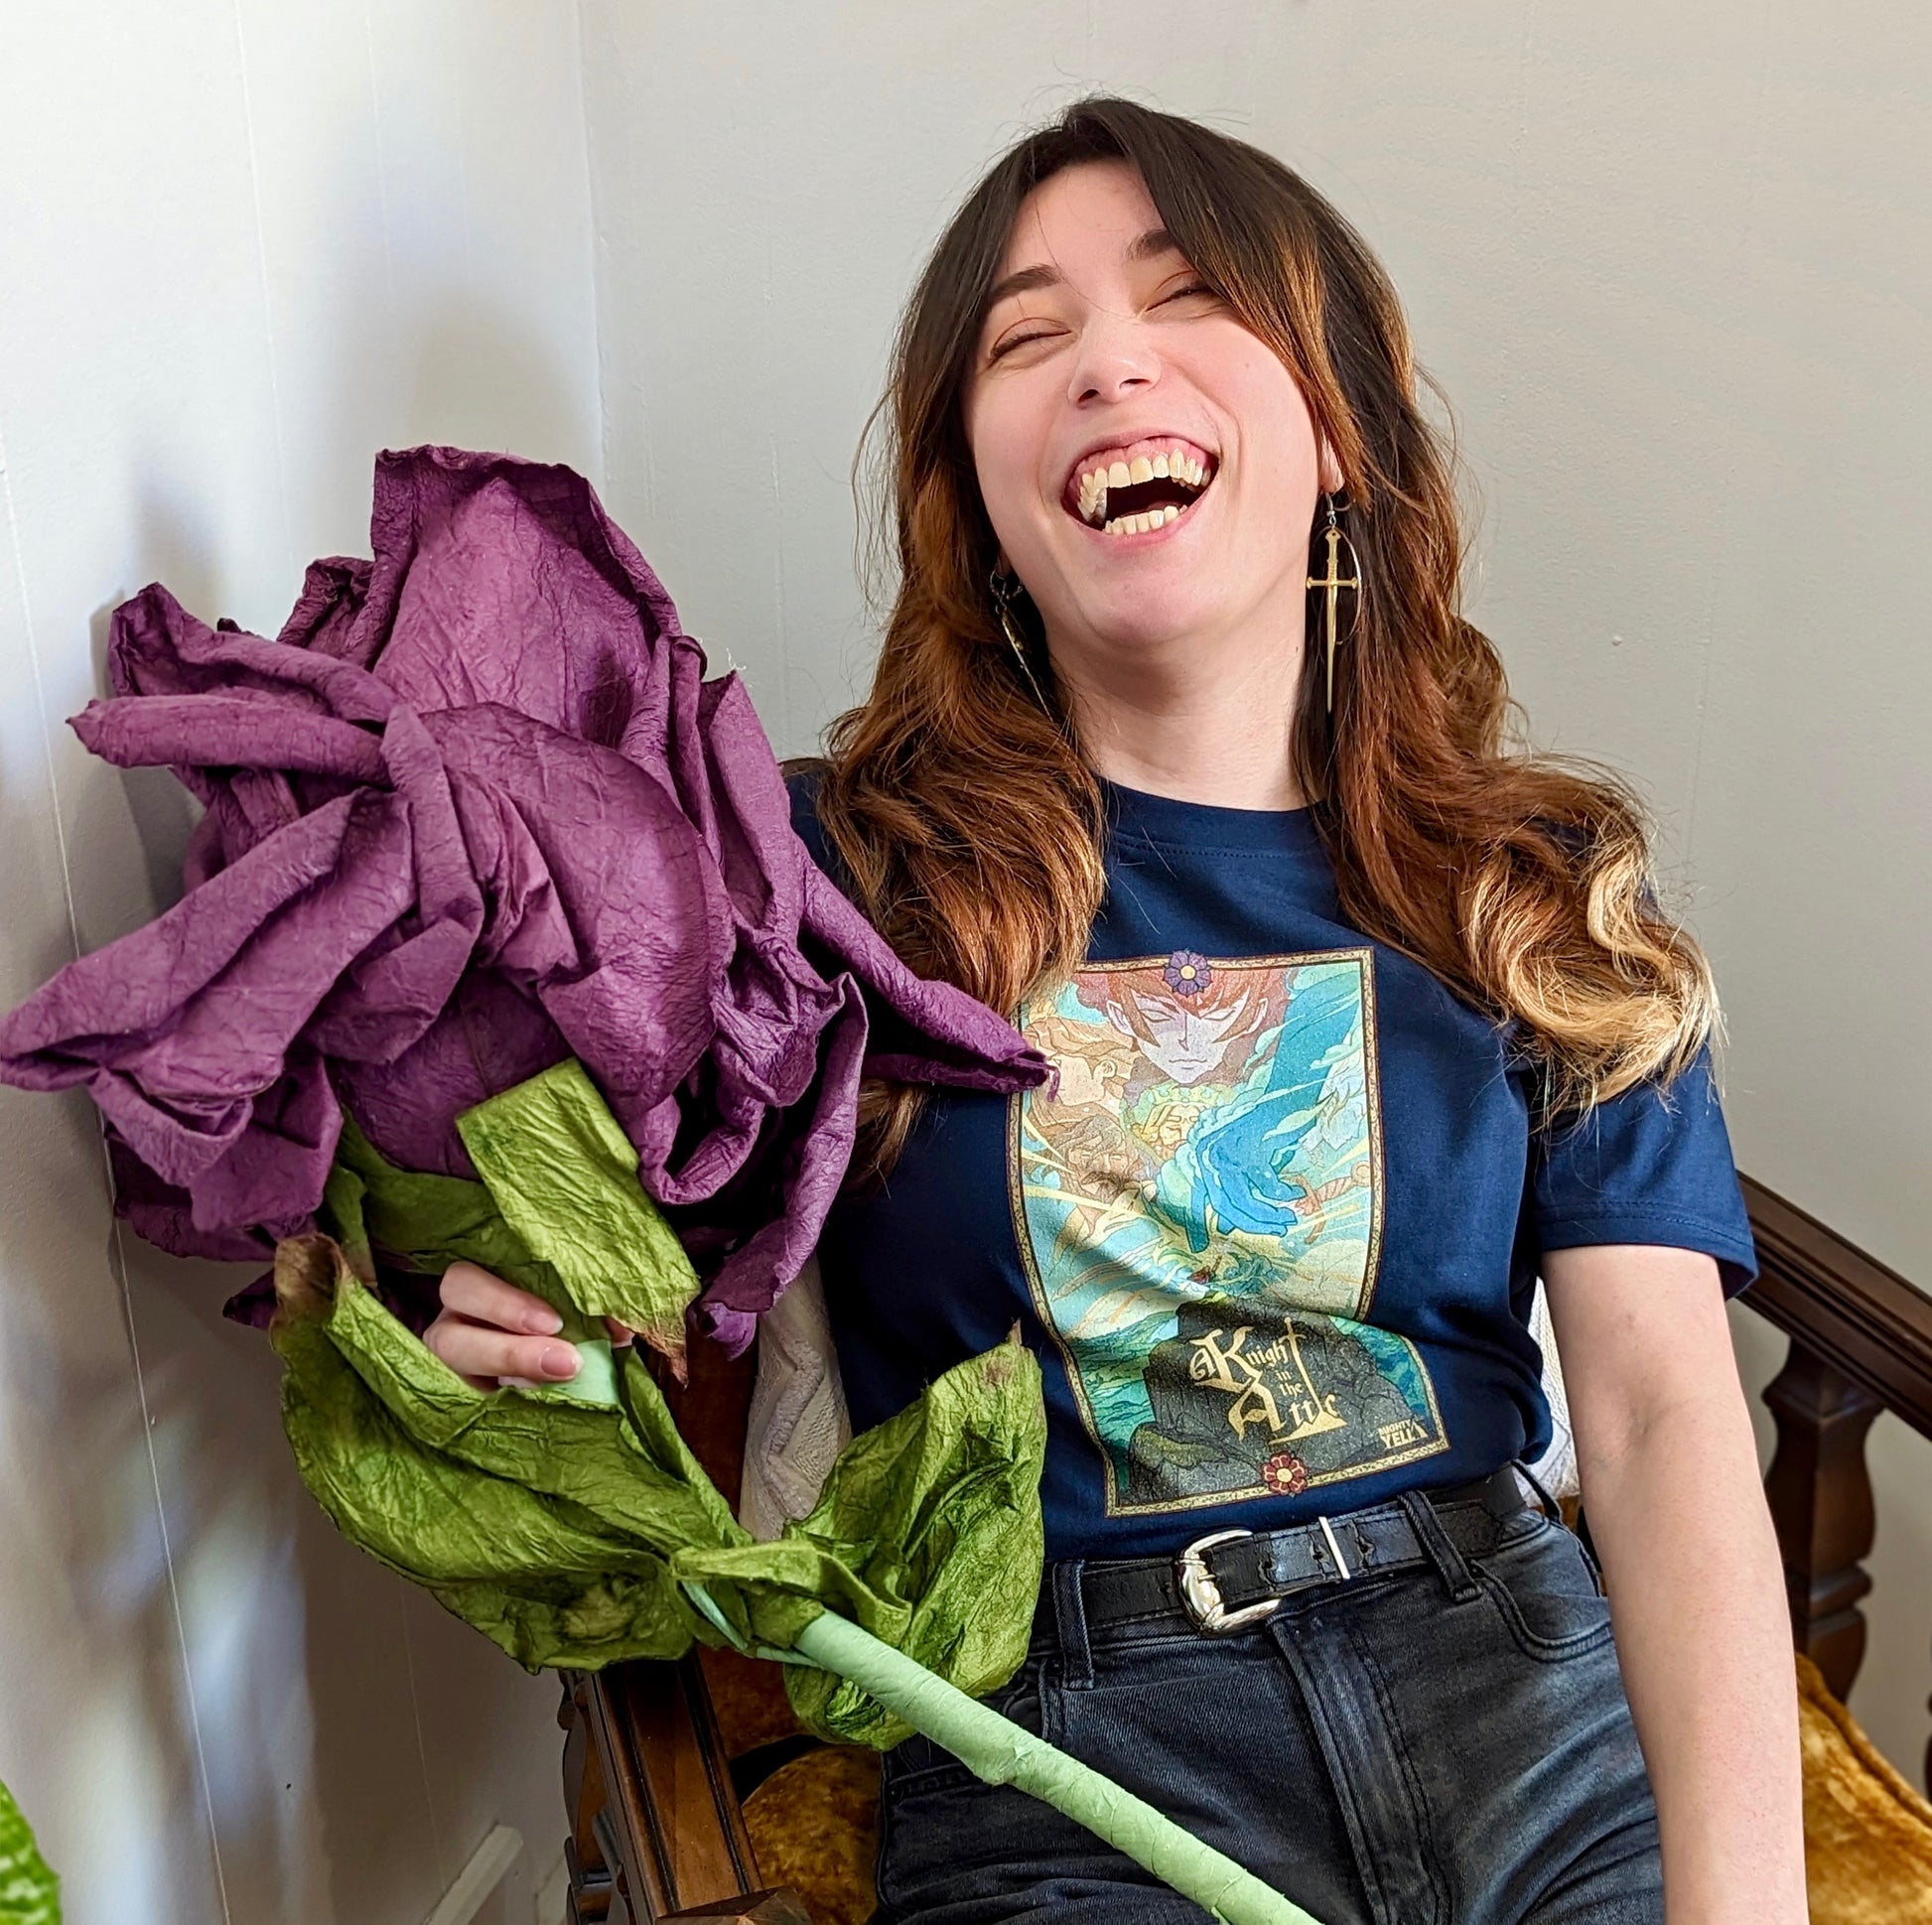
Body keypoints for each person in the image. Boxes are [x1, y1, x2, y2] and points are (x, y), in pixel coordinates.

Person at [424, 98, 1806, 1925]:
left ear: (1336, 434)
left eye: (1189, 294)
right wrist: (510, 1308)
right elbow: (619, 1247)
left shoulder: (1531, 881)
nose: (1105, 362)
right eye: (1023, 335)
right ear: (977, 491)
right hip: (1058, 1746)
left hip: (1517, 1689)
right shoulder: (819, 866)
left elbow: (1651, 1422)